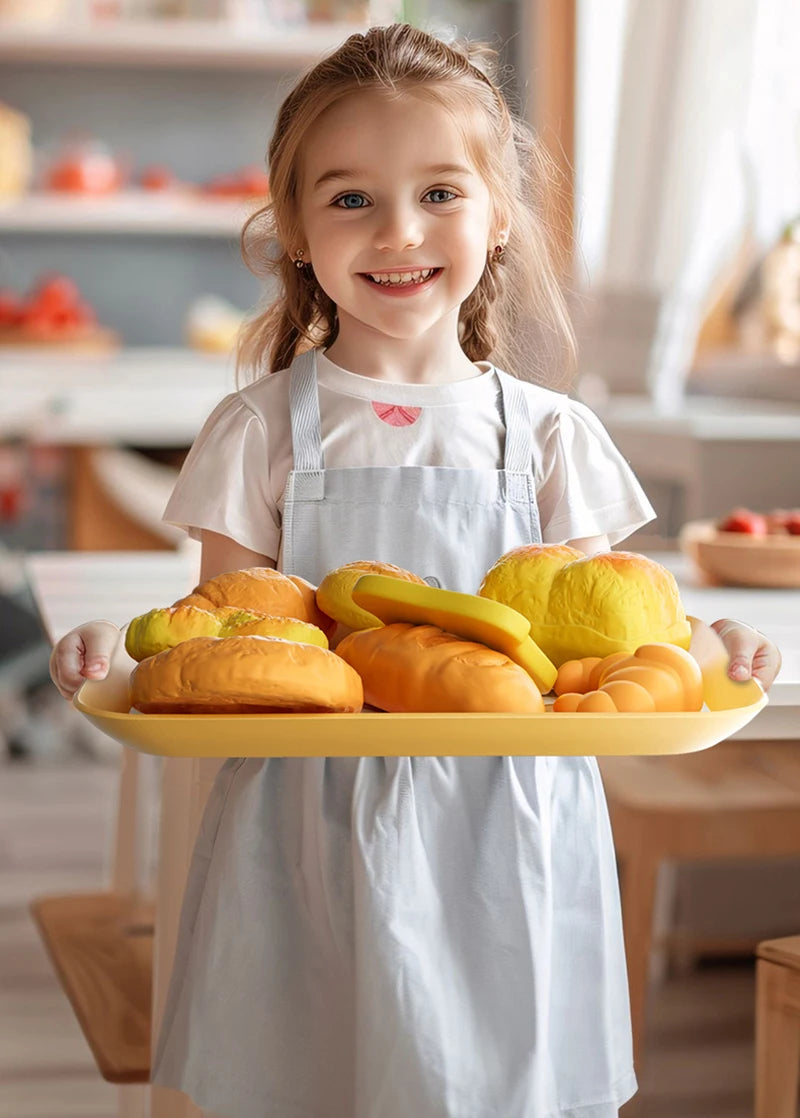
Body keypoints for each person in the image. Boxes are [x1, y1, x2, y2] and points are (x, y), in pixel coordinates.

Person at [49, 24, 781, 1118]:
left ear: (497, 219)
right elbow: (221, 627)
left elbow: (605, 646)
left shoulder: (547, 435)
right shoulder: (258, 427)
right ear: (293, 229)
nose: (398, 230)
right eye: (350, 199)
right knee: (306, 1076)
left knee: (499, 1082)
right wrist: (118, 643)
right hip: (304, 831)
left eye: (440, 191)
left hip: (507, 827)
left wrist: (714, 647)